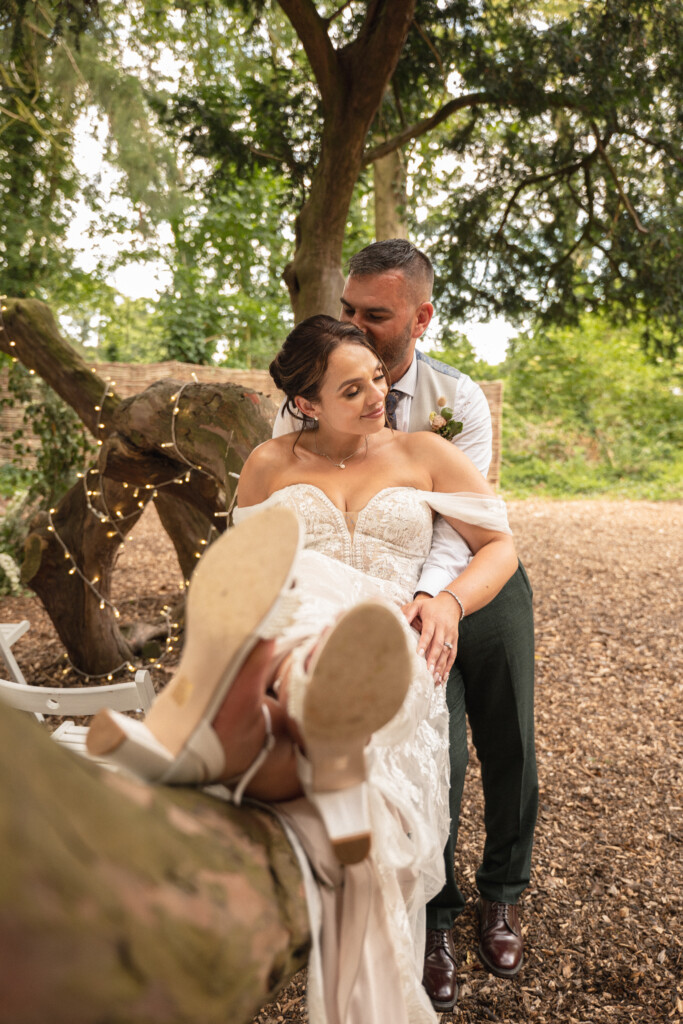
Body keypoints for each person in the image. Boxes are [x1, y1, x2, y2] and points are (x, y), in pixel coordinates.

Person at [87, 314, 518, 1024]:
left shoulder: (423, 454)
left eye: (377, 378)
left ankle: (206, 740)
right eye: (351, 389)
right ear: (307, 402)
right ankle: (267, 726)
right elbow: (244, 578)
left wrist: (445, 601)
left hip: (391, 646)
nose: (377, 395)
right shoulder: (269, 464)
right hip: (295, 634)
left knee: (353, 653)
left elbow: (498, 547)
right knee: (303, 602)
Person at [273, 240, 538, 1011]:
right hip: (389, 597)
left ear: (420, 317)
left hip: (473, 583)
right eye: (349, 308)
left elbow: (463, 528)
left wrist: (439, 603)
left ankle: (503, 890)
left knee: (509, 736)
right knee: (435, 752)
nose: (353, 321)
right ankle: (436, 919)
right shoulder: (313, 386)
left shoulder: (457, 400)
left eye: (373, 315)